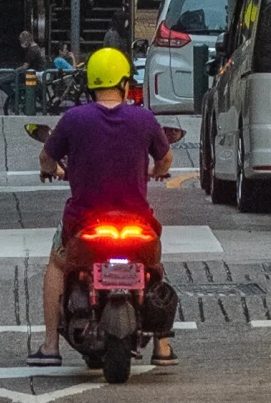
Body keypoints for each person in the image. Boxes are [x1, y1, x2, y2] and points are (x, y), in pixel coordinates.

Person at [29, 47, 176, 368]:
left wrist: (51, 169)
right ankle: (162, 347)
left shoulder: (73, 119)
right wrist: (158, 170)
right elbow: (165, 158)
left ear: (90, 84)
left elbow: (46, 157)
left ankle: (51, 346)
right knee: (154, 268)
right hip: (137, 222)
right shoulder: (144, 118)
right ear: (125, 83)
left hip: (84, 222)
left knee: (57, 264)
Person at [0, 29, 46, 113]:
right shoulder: (36, 48)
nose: (21, 44)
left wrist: (15, 71)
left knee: (0, 82)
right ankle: (16, 98)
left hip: (28, 76)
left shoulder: (32, 51)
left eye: (22, 42)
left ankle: (16, 98)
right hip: (35, 74)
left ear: (26, 41)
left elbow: (25, 67)